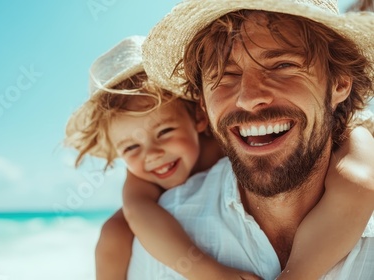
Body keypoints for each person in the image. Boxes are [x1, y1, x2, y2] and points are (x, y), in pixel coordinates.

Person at [126, 0, 374, 279]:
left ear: (340, 82)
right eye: (225, 75)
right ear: (204, 105)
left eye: (282, 65)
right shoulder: (165, 236)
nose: (249, 98)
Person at [65, 36, 260, 280]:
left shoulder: (221, 144)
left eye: (165, 132)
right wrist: (210, 273)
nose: (152, 154)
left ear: (199, 118)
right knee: (113, 231)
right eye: (131, 148)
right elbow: (139, 213)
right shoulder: (140, 176)